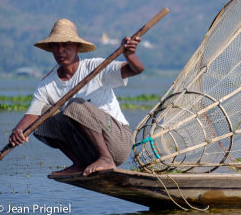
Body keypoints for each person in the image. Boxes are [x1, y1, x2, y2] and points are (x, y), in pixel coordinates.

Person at [9, 18, 144, 176]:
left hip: (118, 142)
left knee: (74, 105)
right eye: (56, 46)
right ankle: (78, 163)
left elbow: (136, 69)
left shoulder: (95, 67)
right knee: (42, 118)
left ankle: (106, 159)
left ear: (77, 47)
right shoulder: (47, 83)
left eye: (66, 45)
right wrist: (19, 130)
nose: (60, 51)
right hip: (87, 150)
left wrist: (130, 55)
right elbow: (33, 114)